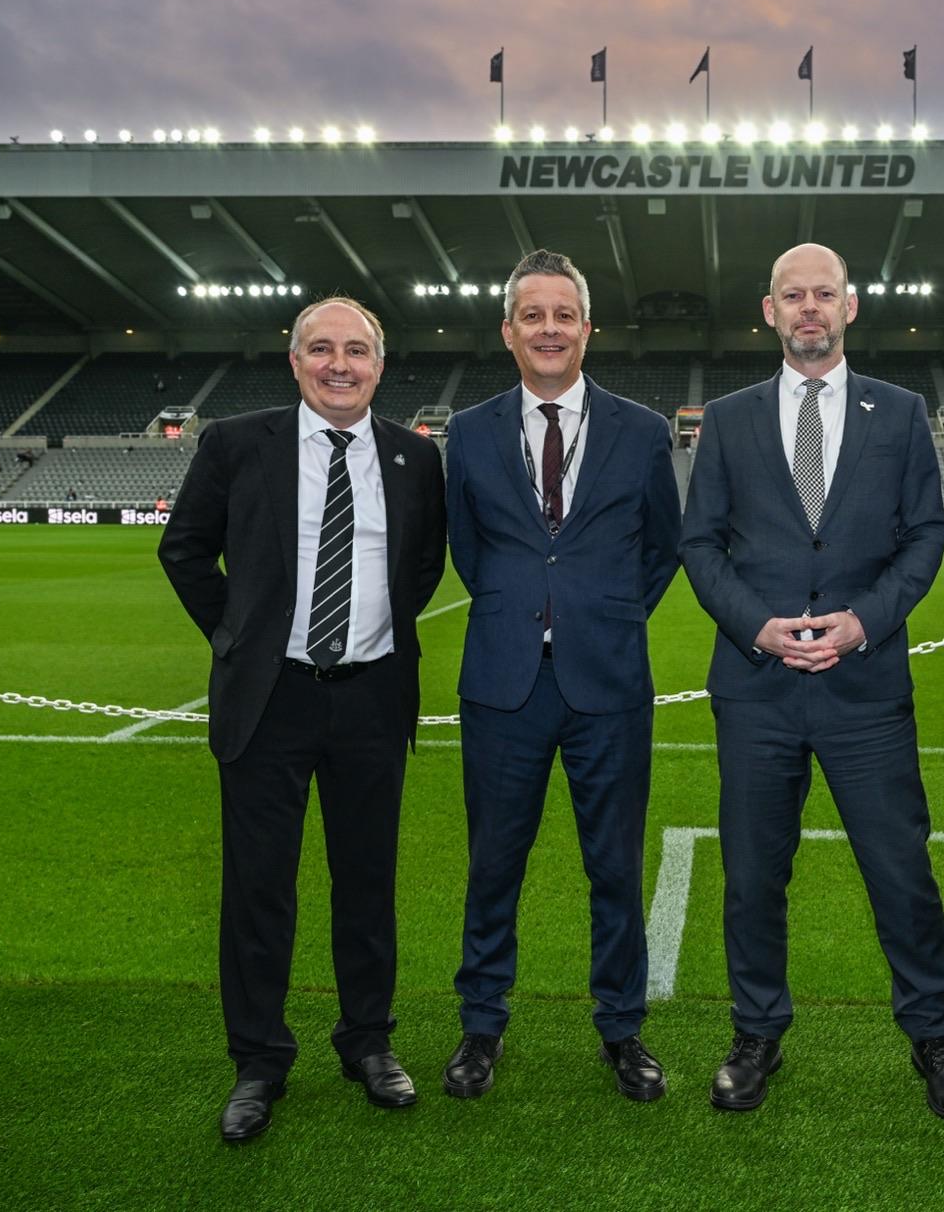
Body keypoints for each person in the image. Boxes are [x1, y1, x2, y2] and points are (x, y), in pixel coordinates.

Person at [680, 243, 944, 1122]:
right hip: (758, 687)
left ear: (849, 307)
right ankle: (756, 1031)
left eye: (824, 295)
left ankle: (932, 1032)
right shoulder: (728, 418)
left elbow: (927, 534)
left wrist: (865, 621)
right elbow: (700, 544)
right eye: (791, 297)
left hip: (865, 686)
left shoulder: (901, 411)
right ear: (768, 312)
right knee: (752, 876)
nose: (809, 309)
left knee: (900, 871)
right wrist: (756, 627)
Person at [159, 296, 446, 1143]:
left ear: (380, 366)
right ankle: (258, 1060)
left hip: (369, 696)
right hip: (270, 698)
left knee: (368, 883)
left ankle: (368, 1043)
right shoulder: (238, 443)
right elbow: (184, 548)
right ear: (294, 361)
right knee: (258, 890)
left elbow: (422, 565)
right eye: (321, 349)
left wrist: (374, 636)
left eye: (356, 350)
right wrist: (237, 634)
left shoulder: (412, 458)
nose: (339, 364)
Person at [441, 249, 681, 1102]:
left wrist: (599, 614)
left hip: (608, 681)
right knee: (493, 862)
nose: (549, 329)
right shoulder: (466, 433)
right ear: (508, 331)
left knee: (613, 865)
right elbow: (471, 552)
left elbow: (661, 550)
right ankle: (481, 1025)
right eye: (532, 315)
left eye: (564, 315)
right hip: (503, 682)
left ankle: (622, 1027)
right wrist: (524, 611)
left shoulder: (643, 430)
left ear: (588, 329)